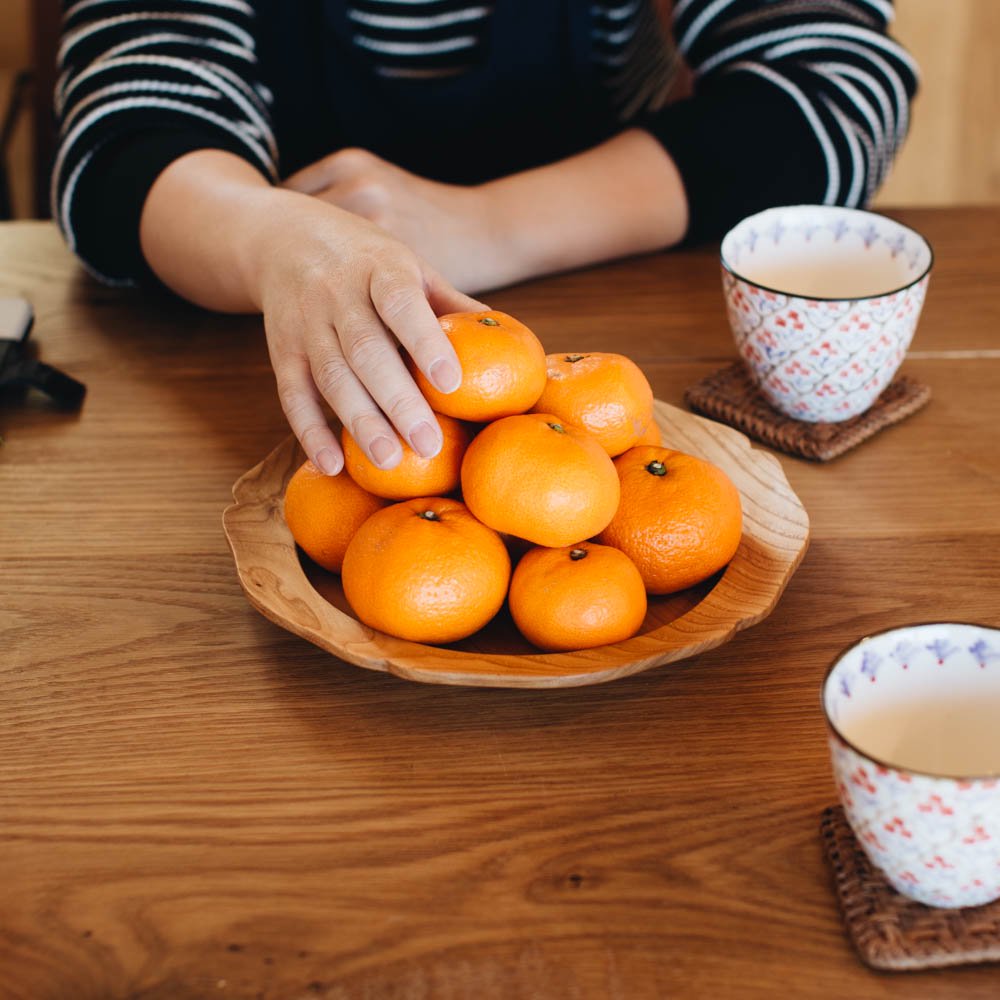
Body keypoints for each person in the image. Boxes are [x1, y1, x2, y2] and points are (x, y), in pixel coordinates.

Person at [54, 0, 917, 475]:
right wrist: (277, 240)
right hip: (268, 359)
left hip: (595, 319)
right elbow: (122, 146)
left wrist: (485, 228)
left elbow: (840, 91)